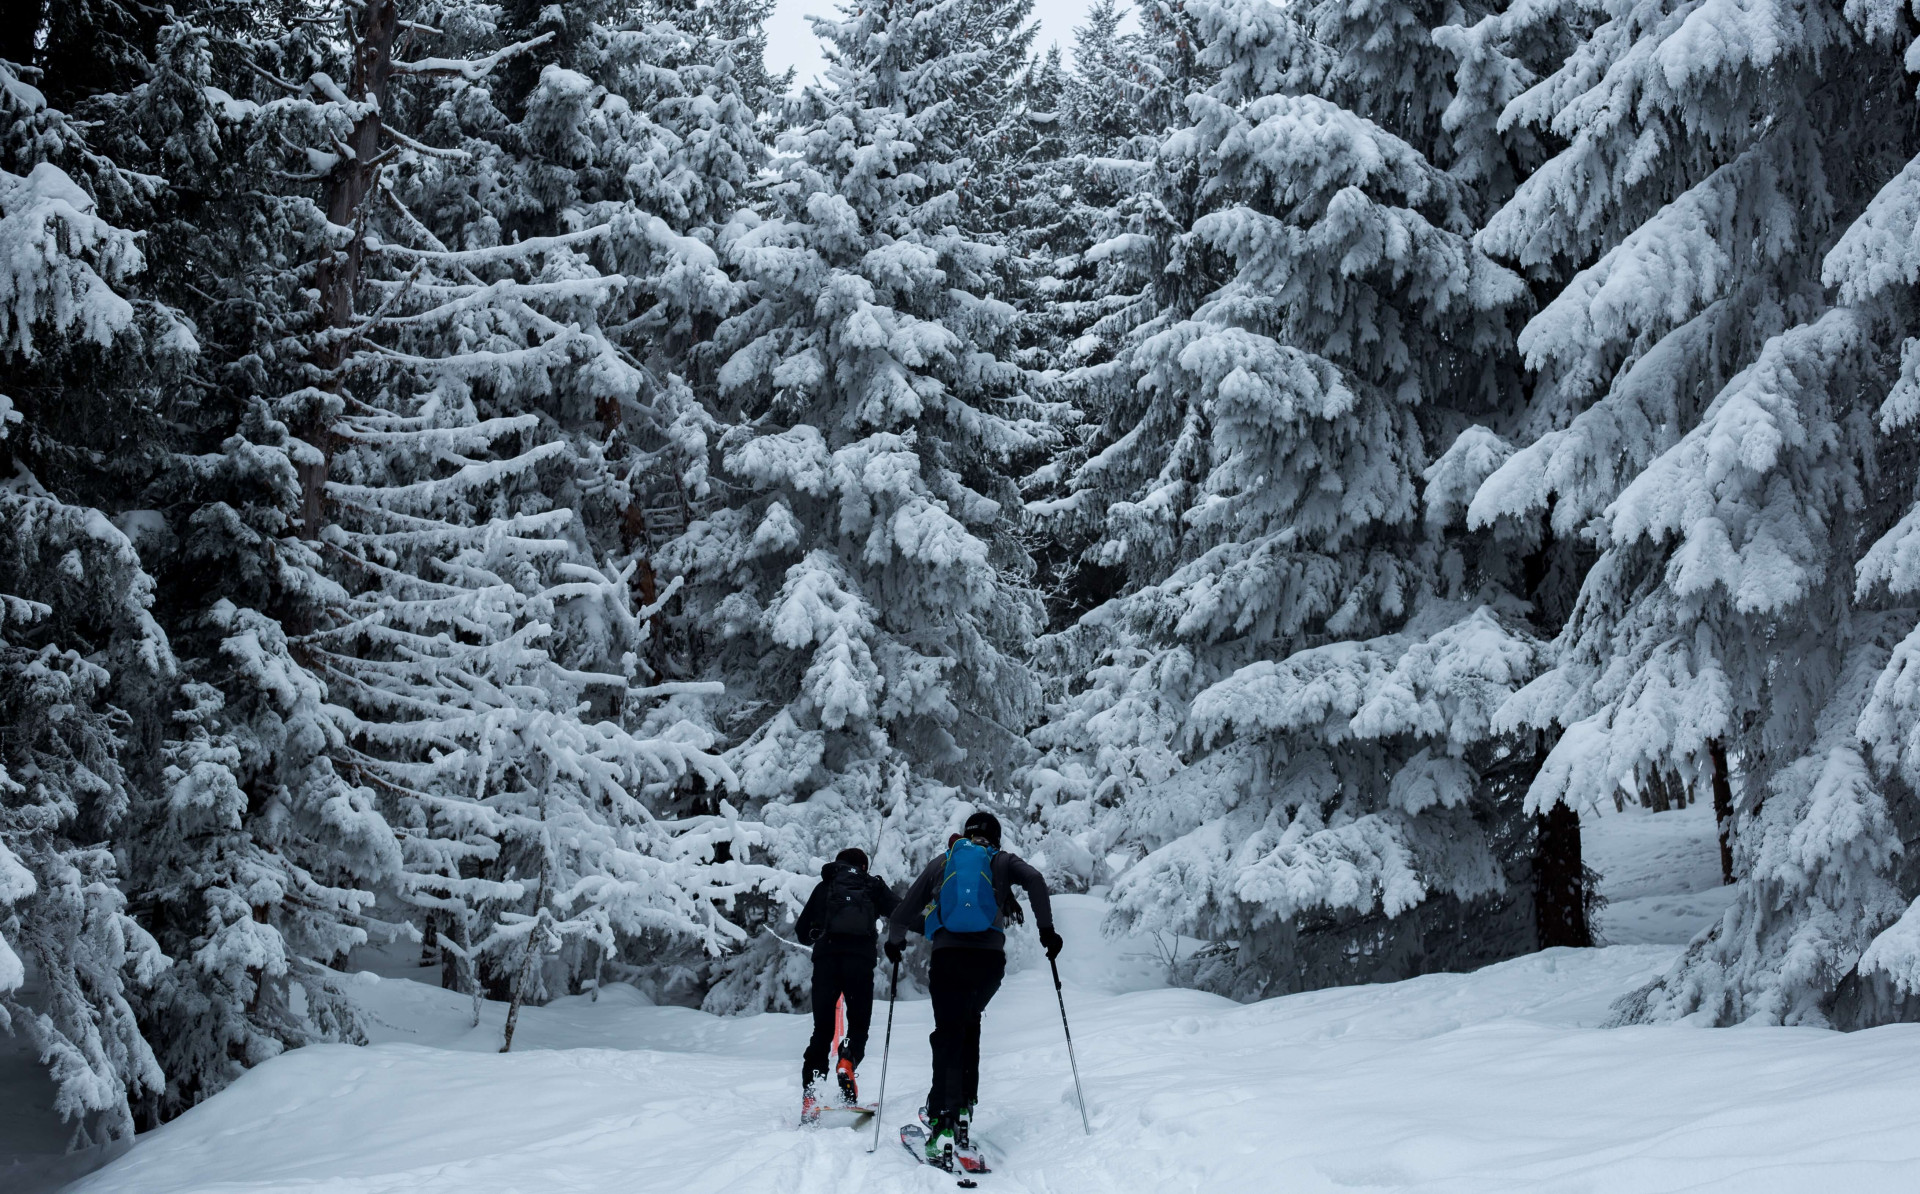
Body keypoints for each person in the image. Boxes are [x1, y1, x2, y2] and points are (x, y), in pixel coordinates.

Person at [885, 811, 1062, 1166]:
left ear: (966, 835)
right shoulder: (1001, 861)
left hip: (949, 958)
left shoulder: (945, 861)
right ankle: (963, 1111)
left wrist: (895, 941)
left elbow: (905, 909)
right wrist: (1047, 932)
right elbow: (1037, 881)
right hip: (988, 964)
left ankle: (943, 1125)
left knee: (948, 1035)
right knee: (970, 1027)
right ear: (996, 837)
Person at [793, 846, 898, 1120]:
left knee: (822, 1029)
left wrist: (817, 933)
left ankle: (812, 1093)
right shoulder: (871, 886)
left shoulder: (825, 886)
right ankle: (847, 1059)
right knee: (859, 1024)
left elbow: (802, 932)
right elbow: (902, 912)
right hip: (860, 962)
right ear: (863, 866)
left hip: (827, 961)